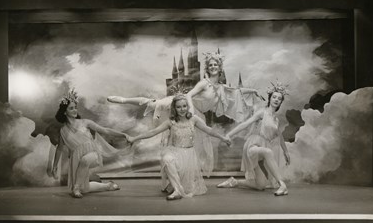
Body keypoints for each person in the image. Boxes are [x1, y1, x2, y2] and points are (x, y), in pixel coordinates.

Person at [107, 52, 264, 175]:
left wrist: (254, 90)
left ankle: (178, 175)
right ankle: (123, 100)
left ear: (220, 67)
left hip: (197, 113)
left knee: (191, 145)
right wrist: (190, 110)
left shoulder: (221, 88)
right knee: (155, 103)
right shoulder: (204, 83)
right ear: (207, 68)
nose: (213, 67)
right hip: (186, 105)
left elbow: (236, 91)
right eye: (211, 65)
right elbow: (189, 95)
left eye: (216, 64)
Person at [126, 94, 231, 200]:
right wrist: (134, 139)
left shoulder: (193, 120)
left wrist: (223, 138)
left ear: (187, 107)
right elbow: (153, 132)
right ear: (174, 108)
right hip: (174, 152)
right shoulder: (171, 122)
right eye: (179, 107)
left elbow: (209, 130)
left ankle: (179, 187)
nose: (182, 109)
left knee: (189, 187)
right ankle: (177, 190)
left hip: (189, 155)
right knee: (167, 159)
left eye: (184, 106)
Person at [217, 81, 290, 196]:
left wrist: (285, 151)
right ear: (270, 99)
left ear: (281, 102)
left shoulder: (276, 120)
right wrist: (229, 135)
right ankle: (283, 185)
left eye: (279, 98)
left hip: (263, 150)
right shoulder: (262, 113)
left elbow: (279, 135)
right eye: (274, 97)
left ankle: (234, 182)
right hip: (253, 146)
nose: (276, 100)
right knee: (268, 151)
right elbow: (244, 124)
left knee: (261, 186)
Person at [52, 89, 128, 198]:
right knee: (85, 189)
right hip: (76, 158)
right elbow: (59, 148)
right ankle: (108, 186)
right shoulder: (63, 130)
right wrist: (54, 166)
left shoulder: (85, 122)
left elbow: (105, 130)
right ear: (65, 112)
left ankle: (76, 188)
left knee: (85, 160)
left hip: (93, 154)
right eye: (71, 108)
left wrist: (123, 135)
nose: (75, 110)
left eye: (75, 108)